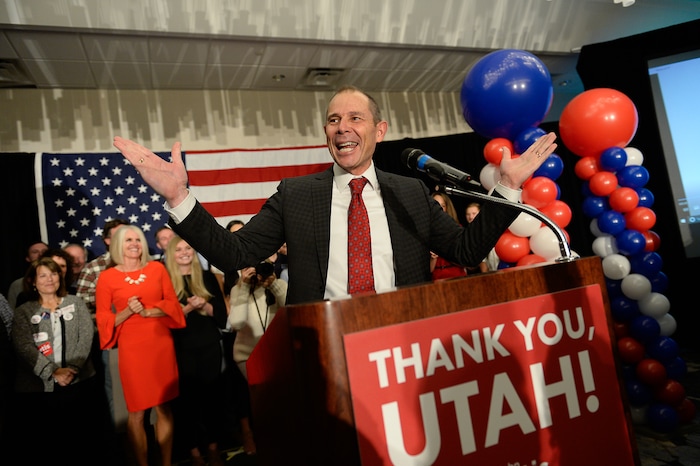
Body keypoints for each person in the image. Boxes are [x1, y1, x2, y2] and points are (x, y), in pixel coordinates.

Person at [112, 84, 556, 306]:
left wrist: (508, 188)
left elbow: (465, 248)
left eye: (355, 118)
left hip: (403, 344)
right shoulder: (296, 194)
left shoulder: (410, 191)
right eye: (333, 119)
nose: (342, 127)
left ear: (378, 131)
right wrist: (179, 196)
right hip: (324, 344)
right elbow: (235, 251)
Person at [95, 225, 186, 466]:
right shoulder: (107, 277)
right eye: (128, 240)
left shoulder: (157, 269)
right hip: (132, 348)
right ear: (118, 245)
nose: (134, 244)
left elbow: (173, 306)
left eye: (137, 239)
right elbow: (103, 318)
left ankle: (166, 462)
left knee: (164, 406)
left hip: (160, 344)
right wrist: (126, 312)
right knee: (136, 411)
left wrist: (147, 311)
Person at [11, 257, 103, 461]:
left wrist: (71, 368)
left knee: (81, 442)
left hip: (78, 383)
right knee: (47, 446)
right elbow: (24, 347)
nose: (49, 279)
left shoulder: (75, 303)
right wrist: (53, 372)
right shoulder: (24, 312)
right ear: (33, 282)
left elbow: (86, 336)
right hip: (38, 389)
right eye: (42, 275)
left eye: (53, 274)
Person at [163, 235, 227, 466]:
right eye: (178, 249)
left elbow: (222, 316)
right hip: (181, 350)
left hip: (209, 347)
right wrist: (189, 308)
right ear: (171, 253)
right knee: (187, 404)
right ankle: (194, 453)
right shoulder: (165, 281)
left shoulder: (208, 277)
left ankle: (213, 448)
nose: (184, 252)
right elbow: (164, 321)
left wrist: (206, 305)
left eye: (188, 247)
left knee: (212, 401)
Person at [75, 217, 130, 441]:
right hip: (112, 342)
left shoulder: (143, 264)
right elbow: (83, 309)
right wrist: (110, 314)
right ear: (107, 241)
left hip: (144, 340)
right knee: (117, 399)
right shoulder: (94, 269)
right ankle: (125, 448)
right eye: (117, 236)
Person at [228, 259, 288, 455]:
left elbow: (293, 308)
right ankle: (267, 442)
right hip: (248, 356)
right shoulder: (239, 290)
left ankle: (283, 441)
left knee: (280, 400)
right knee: (264, 400)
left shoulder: (278, 285)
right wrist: (245, 287)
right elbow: (236, 323)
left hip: (275, 353)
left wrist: (274, 284)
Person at [429, 191, 467, 281]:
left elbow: (466, 261)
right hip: (436, 278)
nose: (440, 209)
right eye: (436, 206)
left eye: (443, 206)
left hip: (457, 276)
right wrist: (433, 258)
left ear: (447, 207)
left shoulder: (457, 229)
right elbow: (429, 270)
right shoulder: (425, 232)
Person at [6, 241, 49, 309]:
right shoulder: (18, 285)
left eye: (44, 251)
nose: (41, 254)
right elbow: (12, 314)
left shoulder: (61, 279)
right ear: (28, 258)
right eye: (35, 252)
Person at [466, 202, 500, 272]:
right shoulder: (469, 235)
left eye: (474, 213)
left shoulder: (492, 227)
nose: (471, 217)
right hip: (491, 273)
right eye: (468, 214)